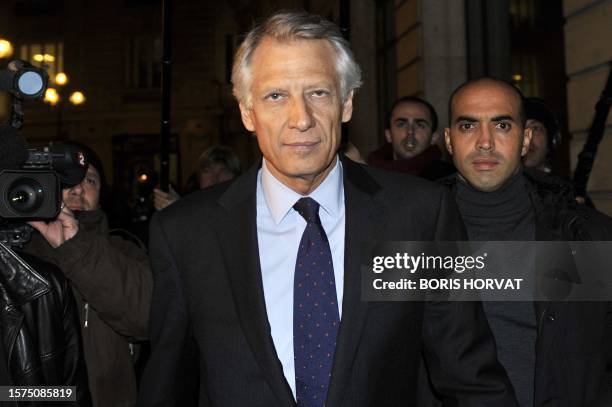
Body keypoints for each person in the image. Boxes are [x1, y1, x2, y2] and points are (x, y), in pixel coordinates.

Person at [138, 11, 518, 407]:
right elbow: (167, 386)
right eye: (276, 96)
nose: (301, 119)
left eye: (318, 93)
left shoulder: (419, 215)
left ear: (347, 103)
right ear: (248, 113)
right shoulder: (186, 233)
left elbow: (470, 378)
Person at [438, 77, 612, 406]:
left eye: (502, 125)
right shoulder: (410, 232)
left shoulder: (582, 237)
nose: (485, 142)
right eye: (468, 126)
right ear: (449, 140)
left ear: (525, 139)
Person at [26, 142, 153, 407]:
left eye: (90, 180)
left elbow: (148, 316)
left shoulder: (123, 250)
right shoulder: (20, 253)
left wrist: (75, 245)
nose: (78, 189)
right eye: (67, 178)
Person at [368, 96, 455, 180]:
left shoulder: (449, 181)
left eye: (420, 125)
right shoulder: (368, 176)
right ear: (388, 135)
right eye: (401, 124)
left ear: (434, 137)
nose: (410, 131)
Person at [153, 145, 241, 210]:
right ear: (199, 178)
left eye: (224, 171)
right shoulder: (194, 203)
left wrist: (179, 210)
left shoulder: (242, 208)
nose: (215, 178)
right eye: (208, 171)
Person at [522, 97, 561, 173]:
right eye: (521, 129)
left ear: (551, 141)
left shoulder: (562, 184)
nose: (527, 136)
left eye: (536, 128)